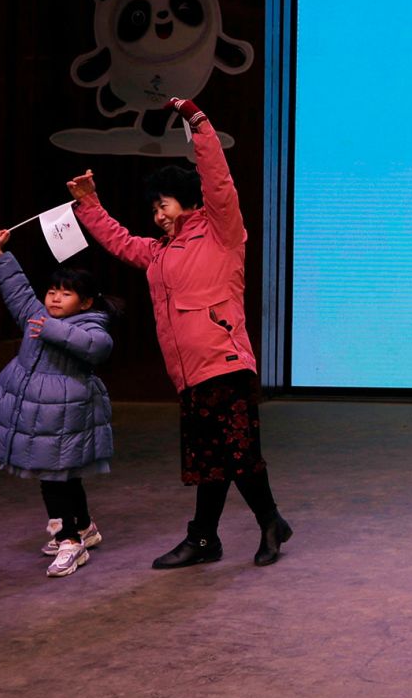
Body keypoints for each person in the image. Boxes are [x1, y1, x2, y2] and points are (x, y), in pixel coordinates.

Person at [67, 97, 293, 569]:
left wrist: (198, 122)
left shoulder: (221, 232)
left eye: (163, 204)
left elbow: (219, 180)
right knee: (211, 460)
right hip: (189, 375)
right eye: (152, 208)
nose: (157, 214)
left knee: (238, 453)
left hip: (224, 362)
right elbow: (119, 241)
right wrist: (88, 204)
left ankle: (263, 522)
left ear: (187, 202)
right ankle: (208, 538)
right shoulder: (160, 253)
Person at [0, 230, 115, 578]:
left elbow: (96, 347)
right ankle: (83, 527)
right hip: (40, 417)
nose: (54, 298)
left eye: (66, 294)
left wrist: (51, 329)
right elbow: (17, 291)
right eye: (52, 291)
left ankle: (69, 541)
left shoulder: (92, 326)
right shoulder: (37, 317)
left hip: (65, 417)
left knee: (55, 478)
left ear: (85, 302)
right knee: (61, 476)